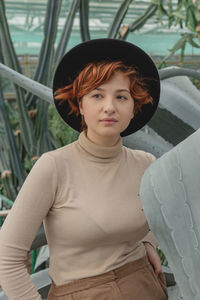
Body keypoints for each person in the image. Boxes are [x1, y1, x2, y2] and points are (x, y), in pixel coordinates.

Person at [0, 39, 168, 300]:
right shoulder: (53, 167)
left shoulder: (145, 163)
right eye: (97, 95)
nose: (109, 107)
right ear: (80, 104)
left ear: (134, 107)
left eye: (121, 96)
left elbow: (162, 214)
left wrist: (148, 242)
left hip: (144, 285)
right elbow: (7, 256)